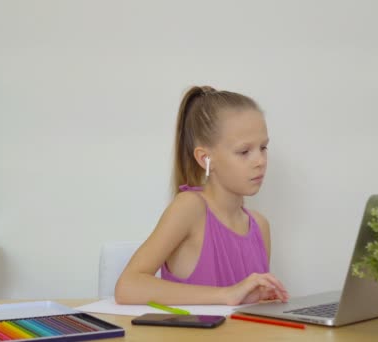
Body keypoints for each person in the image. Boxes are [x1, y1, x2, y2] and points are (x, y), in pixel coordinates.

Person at [114, 86, 289, 305]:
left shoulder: (260, 226)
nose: (260, 161)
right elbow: (127, 287)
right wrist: (228, 294)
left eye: (263, 148)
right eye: (244, 151)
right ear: (205, 158)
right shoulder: (189, 208)